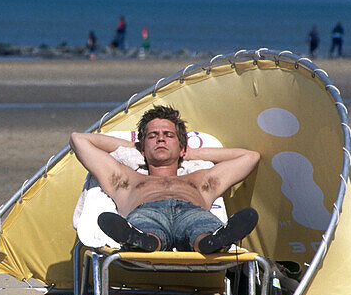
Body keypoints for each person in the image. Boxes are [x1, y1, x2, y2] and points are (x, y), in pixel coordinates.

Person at [69, 105, 260, 254]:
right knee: (146, 230)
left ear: (182, 148)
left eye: (168, 136)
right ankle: (143, 242)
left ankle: (213, 242)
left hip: (192, 210)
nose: (160, 139)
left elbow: (250, 157)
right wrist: (135, 146)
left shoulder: (201, 180)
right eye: (153, 136)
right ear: (142, 149)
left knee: (202, 227)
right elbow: (78, 140)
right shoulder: (126, 179)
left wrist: (188, 153)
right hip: (146, 211)